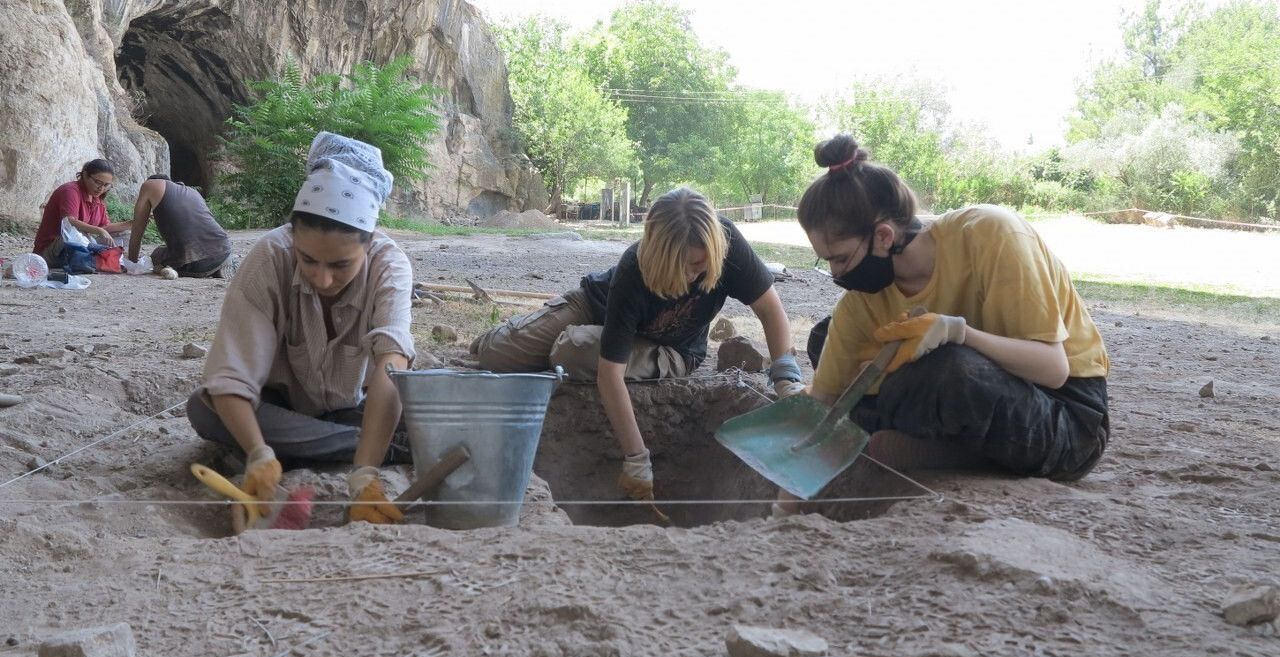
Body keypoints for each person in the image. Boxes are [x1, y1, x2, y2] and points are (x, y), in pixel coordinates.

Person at [782, 134, 1110, 512]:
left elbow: (1053, 368)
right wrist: (784, 505)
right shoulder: (863, 300)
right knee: (827, 339)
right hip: (968, 394)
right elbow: (825, 405)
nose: (837, 274)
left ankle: (948, 451)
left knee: (948, 369)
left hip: (1065, 418)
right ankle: (947, 444)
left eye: (840, 259)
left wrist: (960, 332)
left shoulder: (994, 235)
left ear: (883, 236)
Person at [470, 186, 803, 503]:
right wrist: (637, 457)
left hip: (671, 348)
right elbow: (610, 375)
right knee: (495, 354)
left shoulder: (725, 242)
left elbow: (770, 309)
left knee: (572, 350)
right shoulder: (634, 267)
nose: (692, 275)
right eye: (683, 265)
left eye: (700, 265)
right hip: (597, 306)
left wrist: (786, 379)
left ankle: (568, 349)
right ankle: (536, 338)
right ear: (657, 254)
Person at [186, 132, 414, 525]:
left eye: (340, 265)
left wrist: (364, 478)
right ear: (293, 236)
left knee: (426, 410)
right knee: (205, 410)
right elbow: (231, 376)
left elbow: (391, 368)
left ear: (369, 243)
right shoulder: (270, 257)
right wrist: (258, 453)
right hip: (280, 408)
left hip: (355, 408)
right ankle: (379, 447)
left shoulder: (390, 266)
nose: (322, 279)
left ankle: (344, 449)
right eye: (308, 260)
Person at [125, 175, 236, 278]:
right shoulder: (193, 192)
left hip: (195, 263)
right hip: (224, 251)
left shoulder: (150, 185)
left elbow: (137, 230)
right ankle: (218, 267)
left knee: (157, 253)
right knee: (170, 249)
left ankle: (168, 269)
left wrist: (132, 262)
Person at [32, 159, 132, 266]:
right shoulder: (70, 190)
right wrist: (99, 230)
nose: (101, 188)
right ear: (85, 175)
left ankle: (108, 259)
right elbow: (69, 222)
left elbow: (105, 227)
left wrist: (133, 223)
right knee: (78, 233)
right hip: (51, 250)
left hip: (79, 245)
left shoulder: (97, 198)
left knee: (124, 234)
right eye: (98, 182)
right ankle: (101, 260)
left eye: (106, 185)